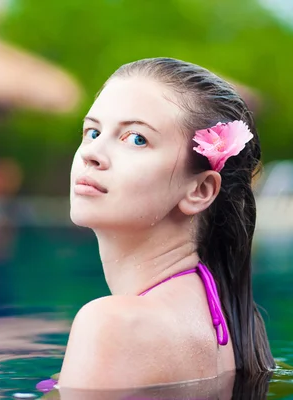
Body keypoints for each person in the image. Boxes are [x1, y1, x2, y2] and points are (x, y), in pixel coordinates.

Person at [57, 57, 274, 390]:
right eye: (93, 131)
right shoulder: (233, 329)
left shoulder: (112, 325)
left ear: (200, 190)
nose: (92, 153)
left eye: (136, 139)